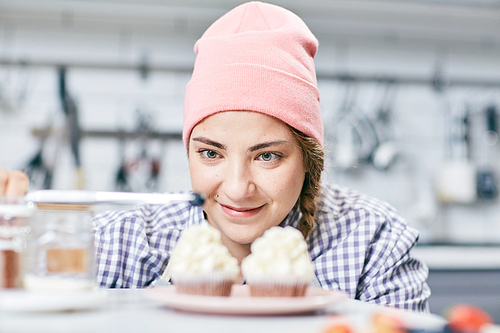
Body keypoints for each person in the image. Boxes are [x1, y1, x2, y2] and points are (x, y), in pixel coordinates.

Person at [0, 1, 430, 312]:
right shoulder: (122, 242)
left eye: (267, 157)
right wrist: (10, 238)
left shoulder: (375, 241)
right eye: (210, 153)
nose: (238, 188)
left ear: (308, 159)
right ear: (188, 150)